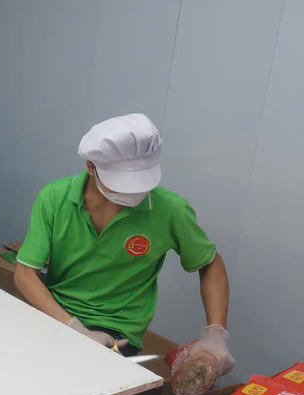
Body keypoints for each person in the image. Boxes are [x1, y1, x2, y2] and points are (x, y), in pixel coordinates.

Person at [13, 114, 235, 376]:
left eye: (141, 183)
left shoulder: (169, 210)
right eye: (123, 183)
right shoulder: (54, 198)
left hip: (116, 330)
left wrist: (216, 334)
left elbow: (209, 263)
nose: (134, 193)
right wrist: (73, 327)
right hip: (56, 312)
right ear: (91, 167)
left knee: (76, 383)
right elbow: (25, 274)